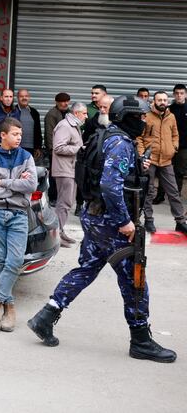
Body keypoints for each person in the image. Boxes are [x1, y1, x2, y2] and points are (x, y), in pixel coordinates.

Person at [28, 96, 177, 363]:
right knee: (135, 280)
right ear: (127, 117)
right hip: (112, 223)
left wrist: (136, 168)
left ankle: (46, 316)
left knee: (87, 268)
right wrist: (124, 221)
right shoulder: (120, 142)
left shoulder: (109, 136)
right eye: (140, 116)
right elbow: (110, 185)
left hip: (95, 217)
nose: (144, 120)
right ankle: (140, 339)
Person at [0, 117, 37, 333]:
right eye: (15, 134)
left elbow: (31, 184)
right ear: (3, 135)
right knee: (0, 261)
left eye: (20, 134)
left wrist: (2, 182)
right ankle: (9, 306)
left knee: (14, 260)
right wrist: (16, 187)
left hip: (18, 213)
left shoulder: (26, 157)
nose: (19, 137)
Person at [137, 91, 187, 235]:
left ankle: (180, 222)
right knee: (149, 192)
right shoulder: (146, 116)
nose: (163, 102)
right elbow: (139, 137)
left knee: (173, 192)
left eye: (165, 100)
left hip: (166, 160)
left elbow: (175, 134)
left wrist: (174, 147)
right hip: (150, 160)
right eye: (160, 100)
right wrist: (142, 154)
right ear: (154, 101)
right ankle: (149, 220)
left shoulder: (171, 116)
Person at [51, 103, 89, 248]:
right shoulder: (65, 126)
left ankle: (60, 231)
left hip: (70, 169)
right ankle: (56, 236)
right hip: (64, 170)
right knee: (63, 203)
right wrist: (79, 148)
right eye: (84, 113)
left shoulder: (73, 125)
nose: (86, 116)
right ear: (76, 113)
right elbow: (58, 147)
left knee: (66, 203)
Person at [169, 84, 187, 195]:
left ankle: (176, 194)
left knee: (179, 172)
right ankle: (160, 195)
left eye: (181, 93)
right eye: (177, 93)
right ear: (174, 94)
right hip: (169, 144)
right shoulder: (170, 109)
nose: (179, 96)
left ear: (185, 94)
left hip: (184, 146)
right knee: (164, 170)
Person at [16, 89, 42, 160]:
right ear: (17, 98)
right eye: (21, 96)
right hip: (16, 147)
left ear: (29, 97)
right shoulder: (13, 111)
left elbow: (38, 131)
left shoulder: (34, 112)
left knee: (28, 170)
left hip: (31, 149)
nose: (24, 98)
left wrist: (38, 147)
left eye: (26, 96)